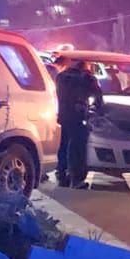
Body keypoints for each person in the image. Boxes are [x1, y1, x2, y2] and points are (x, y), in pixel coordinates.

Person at [54, 56, 103, 188]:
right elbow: (98, 97)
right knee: (77, 147)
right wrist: (97, 110)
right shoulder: (87, 78)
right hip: (78, 115)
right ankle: (76, 178)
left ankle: (61, 174)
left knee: (64, 144)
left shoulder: (61, 76)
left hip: (63, 115)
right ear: (86, 64)